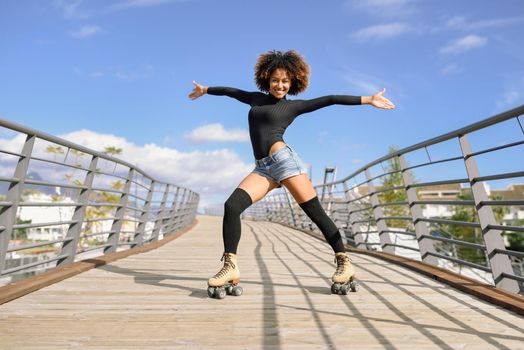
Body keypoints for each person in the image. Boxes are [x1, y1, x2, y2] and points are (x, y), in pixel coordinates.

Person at [189, 50, 395, 298]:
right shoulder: (255, 99)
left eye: (285, 81)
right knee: (232, 206)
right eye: (276, 80)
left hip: (285, 162)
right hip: (263, 168)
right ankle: (229, 266)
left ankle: (344, 261)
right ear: (267, 79)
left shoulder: (293, 106)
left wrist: (368, 99)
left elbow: (330, 99)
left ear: (293, 82)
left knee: (314, 212)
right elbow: (231, 92)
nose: (280, 85)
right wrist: (206, 89)